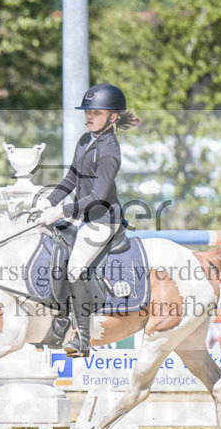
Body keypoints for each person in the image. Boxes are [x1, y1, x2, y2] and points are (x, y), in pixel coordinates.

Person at [35, 83, 141, 357]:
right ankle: (58, 317)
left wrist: (61, 212)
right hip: (82, 215)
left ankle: (82, 338)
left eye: (96, 112)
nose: (89, 116)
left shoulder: (110, 151)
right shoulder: (85, 140)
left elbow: (97, 195)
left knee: (75, 269)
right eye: (88, 112)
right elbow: (70, 178)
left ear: (113, 117)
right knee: (50, 247)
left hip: (102, 220)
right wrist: (47, 201)